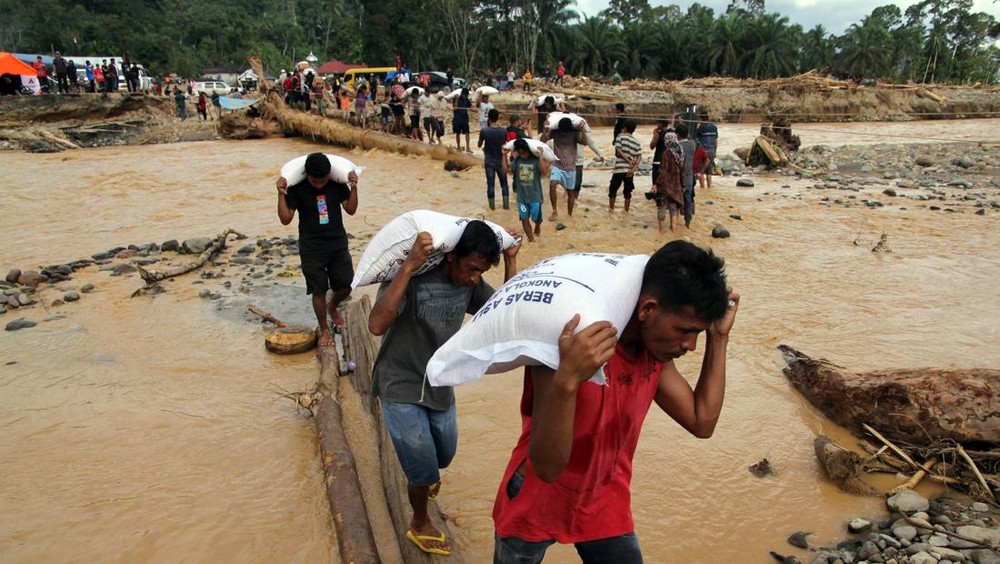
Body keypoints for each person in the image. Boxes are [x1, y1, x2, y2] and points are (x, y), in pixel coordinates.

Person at [492, 240, 739, 563]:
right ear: (648, 309)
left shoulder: (656, 355)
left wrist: (719, 338)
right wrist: (568, 379)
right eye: (684, 331)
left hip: (604, 496)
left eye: (698, 334)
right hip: (536, 496)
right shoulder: (574, 344)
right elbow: (547, 468)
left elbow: (701, 421)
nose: (690, 345)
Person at [368, 220, 519, 558]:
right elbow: (376, 325)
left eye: (482, 272)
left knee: (445, 454)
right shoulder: (413, 277)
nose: (476, 277)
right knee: (423, 468)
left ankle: (423, 474)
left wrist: (511, 261)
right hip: (400, 381)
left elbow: (504, 317)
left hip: (439, 381)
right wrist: (408, 267)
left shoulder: (470, 285)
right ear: (451, 256)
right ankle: (420, 521)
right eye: (472, 269)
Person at [276, 153, 359, 347]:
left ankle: (332, 306)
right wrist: (281, 194)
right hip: (311, 246)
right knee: (318, 290)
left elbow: (351, 209)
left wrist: (354, 188)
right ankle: (324, 329)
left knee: (346, 285)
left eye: (323, 181)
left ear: (329, 175)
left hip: (337, 242)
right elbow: (285, 219)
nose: (320, 185)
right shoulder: (297, 188)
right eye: (315, 181)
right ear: (307, 176)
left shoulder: (337, 184)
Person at [540, 117, 586, 221]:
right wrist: (545, 129)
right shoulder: (555, 132)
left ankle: (569, 215)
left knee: (570, 193)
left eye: (565, 132)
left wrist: (582, 129)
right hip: (557, 165)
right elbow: (542, 141)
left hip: (571, 167)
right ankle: (554, 211)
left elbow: (585, 142)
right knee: (552, 185)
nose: (563, 134)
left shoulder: (574, 133)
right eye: (562, 132)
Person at [503, 138, 549, 242]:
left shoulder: (536, 160)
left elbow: (544, 172)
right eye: (520, 153)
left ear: (528, 151)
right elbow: (506, 170)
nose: (522, 155)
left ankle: (537, 225)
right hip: (522, 198)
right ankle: (531, 240)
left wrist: (541, 157)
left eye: (524, 153)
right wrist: (504, 155)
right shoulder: (517, 160)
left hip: (535, 197)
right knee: (524, 218)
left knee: (537, 218)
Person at [653, 129, 684, 234]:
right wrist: (682, 184)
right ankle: (673, 230)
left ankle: (661, 231)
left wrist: (656, 184)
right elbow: (682, 171)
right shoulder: (680, 153)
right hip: (676, 185)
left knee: (662, 206)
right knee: (673, 207)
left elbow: (663, 170)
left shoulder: (666, 153)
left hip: (665, 185)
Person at [478, 108, 510, 210]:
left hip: (489, 162)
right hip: (501, 161)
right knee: (504, 184)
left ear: (488, 118)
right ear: (498, 118)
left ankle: (492, 208)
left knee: (491, 185)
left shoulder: (484, 131)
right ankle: (506, 206)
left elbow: (479, 145)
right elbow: (506, 144)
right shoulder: (504, 131)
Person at [608, 119, 641, 213]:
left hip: (619, 169)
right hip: (629, 171)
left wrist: (628, 160)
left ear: (625, 128)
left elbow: (618, 150)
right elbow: (639, 156)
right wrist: (633, 168)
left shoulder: (620, 136)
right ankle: (626, 212)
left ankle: (611, 210)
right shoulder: (636, 141)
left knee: (612, 190)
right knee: (627, 193)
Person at [676, 123, 697, 229]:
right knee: (688, 199)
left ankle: (674, 223)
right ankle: (687, 223)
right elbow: (689, 137)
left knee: (675, 199)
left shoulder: (677, 146)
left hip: (678, 177)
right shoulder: (693, 144)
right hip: (689, 176)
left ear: (677, 134)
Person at [696, 111, 719, 189]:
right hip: (711, 151)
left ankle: (702, 188)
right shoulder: (714, 127)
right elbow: (715, 141)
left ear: (701, 119)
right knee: (709, 171)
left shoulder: (700, 128)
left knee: (701, 170)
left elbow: (697, 140)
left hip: (703, 151)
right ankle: (709, 187)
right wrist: (715, 151)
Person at [649, 118, 672, 189]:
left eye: (658, 123)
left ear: (661, 124)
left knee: (656, 183)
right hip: (669, 161)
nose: (657, 125)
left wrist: (655, 134)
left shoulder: (659, 134)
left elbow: (652, 146)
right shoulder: (671, 134)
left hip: (658, 161)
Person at [452, 88, 471, 152]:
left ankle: (468, 147)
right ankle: (458, 147)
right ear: (462, 94)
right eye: (465, 95)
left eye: (467, 95)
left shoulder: (466, 99)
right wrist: (456, 99)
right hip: (457, 119)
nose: (466, 96)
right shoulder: (456, 99)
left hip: (464, 118)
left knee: (467, 132)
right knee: (458, 133)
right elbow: (455, 108)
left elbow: (470, 106)